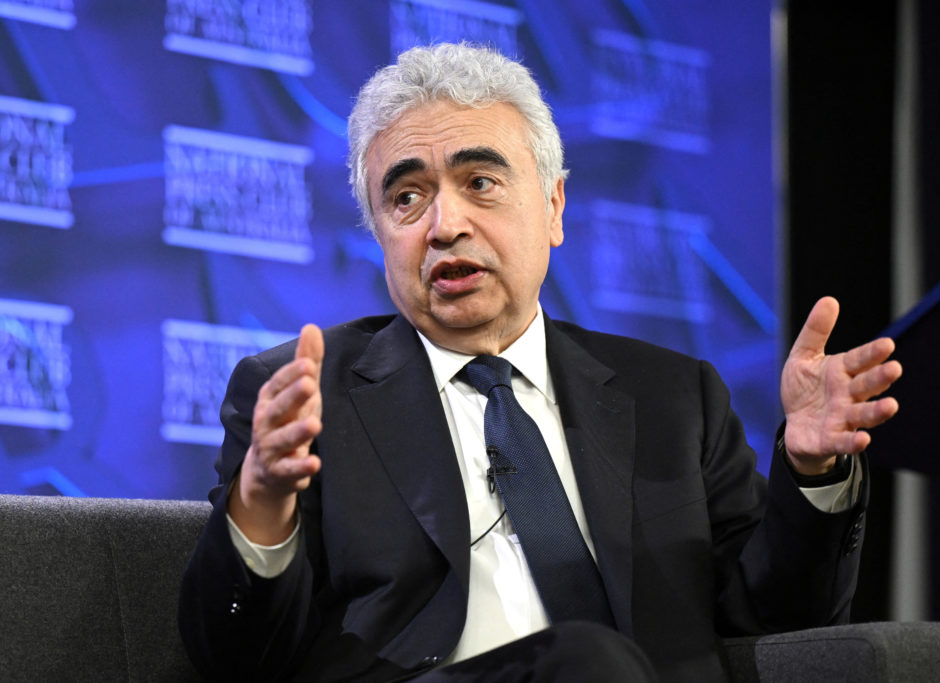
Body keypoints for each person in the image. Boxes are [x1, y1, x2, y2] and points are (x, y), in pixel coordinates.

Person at [178, 43, 902, 682]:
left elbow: (780, 621)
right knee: (586, 660)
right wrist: (263, 501)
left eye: (480, 183)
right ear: (379, 235)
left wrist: (813, 471)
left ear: (554, 207)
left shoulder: (675, 397)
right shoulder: (307, 399)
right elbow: (236, 659)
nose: (445, 225)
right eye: (406, 198)